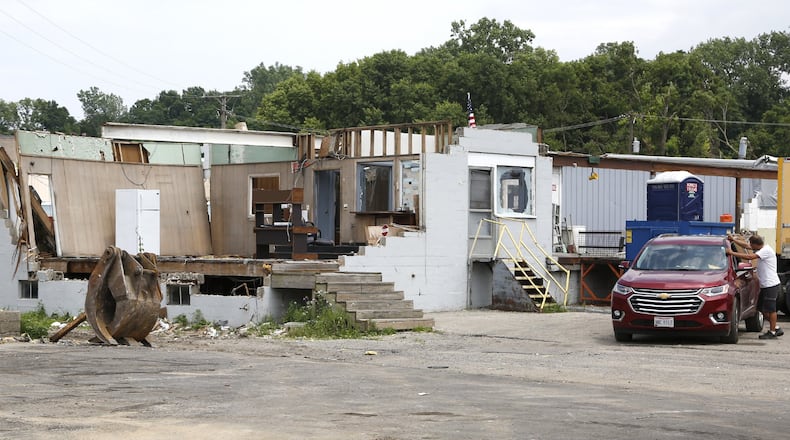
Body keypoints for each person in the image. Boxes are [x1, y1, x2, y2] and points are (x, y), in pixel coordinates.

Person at [726, 234, 783, 339]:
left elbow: (750, 257)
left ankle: (772, 332)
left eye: (751, 245)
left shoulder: (766, 251)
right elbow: (746, 246)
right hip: (765, 285)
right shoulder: (761, 248)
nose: (750, 247)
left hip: (770, 285)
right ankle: (775, 327)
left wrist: (732, 253)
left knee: (771, 309)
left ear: (756, 244)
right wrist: (734, 240)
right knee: (761, 308)